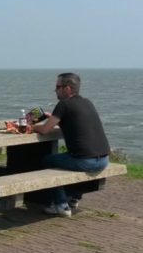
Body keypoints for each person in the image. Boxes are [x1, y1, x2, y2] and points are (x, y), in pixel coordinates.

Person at [32, 72, 111, 218]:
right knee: (68, 160)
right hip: (104, 159)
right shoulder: (86, 102)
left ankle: (61, 205)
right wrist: (55, 117)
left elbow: (44, 130)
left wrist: (29, 127)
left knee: (47, 161)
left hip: (86, 161)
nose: (55, 90)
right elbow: (75, 121)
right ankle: (74, 198)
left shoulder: (64, 105)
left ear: (67, 88)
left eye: (58, 87)